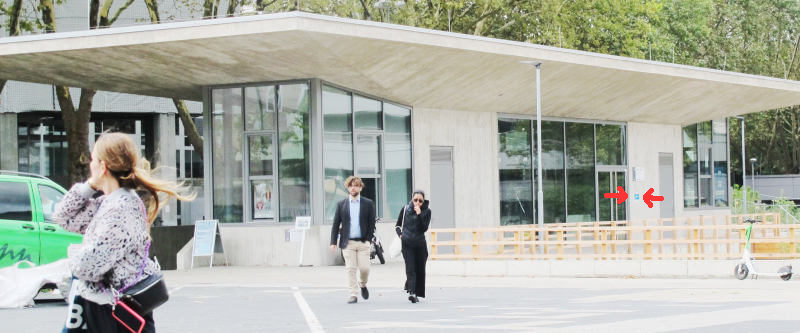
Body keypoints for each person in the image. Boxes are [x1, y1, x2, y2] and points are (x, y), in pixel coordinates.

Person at [54, 132, 194, 332]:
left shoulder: (121, 209)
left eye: (93, 160)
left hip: (112, 311)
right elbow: (63, 217)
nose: (90, 166)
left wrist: (72, 256)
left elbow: (90, 266)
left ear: (103, 166)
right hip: (102, 306)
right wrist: (90, 185)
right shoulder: (108, 202)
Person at [329, 176, 377, 304]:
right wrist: (333, 242)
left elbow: (372, 223)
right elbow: (335, 224)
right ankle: (353, 294)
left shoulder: (368, 203)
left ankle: (363, 284)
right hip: (348, 242)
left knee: (365, 268)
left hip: (363, 243)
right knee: (350, 269)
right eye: (351, 185)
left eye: (356, 185)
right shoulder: (342, 204)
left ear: (360, 187)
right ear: (347, 187)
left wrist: (368, 239)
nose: (353, 188)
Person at [395, 190, 431, 303]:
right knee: (410, 268)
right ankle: (412, 292)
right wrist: (400, 235)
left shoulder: (427, 211)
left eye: (420, 201)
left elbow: (424, 228)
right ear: (412, 199)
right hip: (407, 243)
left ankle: (415, 290)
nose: (417, 203)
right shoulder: (405, 209)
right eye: (415, 200)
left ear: (423, 201)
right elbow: (397, 225)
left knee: (420, 268)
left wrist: (420, 214)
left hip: (420, 243)